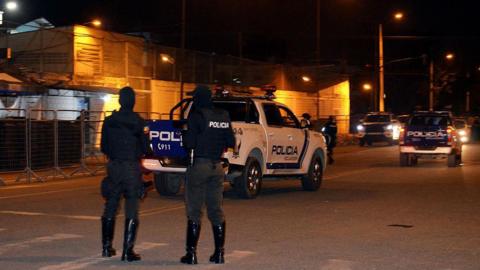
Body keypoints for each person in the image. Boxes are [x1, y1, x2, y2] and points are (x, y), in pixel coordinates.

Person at [180, 85, 235, 265]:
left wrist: (185, 133)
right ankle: (219, 254)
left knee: (194, 210)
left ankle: (191, 254)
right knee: (216, 210)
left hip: (200, 165)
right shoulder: (223, 115)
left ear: (198, 99)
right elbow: (230, 141)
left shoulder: (197, 116)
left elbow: (189, 143)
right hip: (217, 167)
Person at [100, 86, 149, 262]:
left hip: (113, 166)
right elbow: (145, 148)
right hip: (131, 168)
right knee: (131, 208)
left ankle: (106, 247)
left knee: (110, 206)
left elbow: (103, 146)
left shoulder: (109, 120)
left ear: (120, 100)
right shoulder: (139, 122)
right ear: (133, 101)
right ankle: (127, 251)